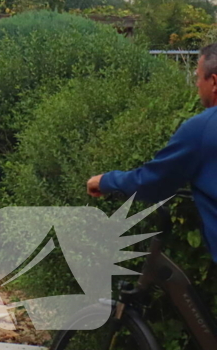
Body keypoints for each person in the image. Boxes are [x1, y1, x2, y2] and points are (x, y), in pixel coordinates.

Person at [87, 43, 217, 258]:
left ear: (213, 82)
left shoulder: (202, 128)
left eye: (198, 77)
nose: (196, 84)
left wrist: (105, 181)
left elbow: (152, 181)